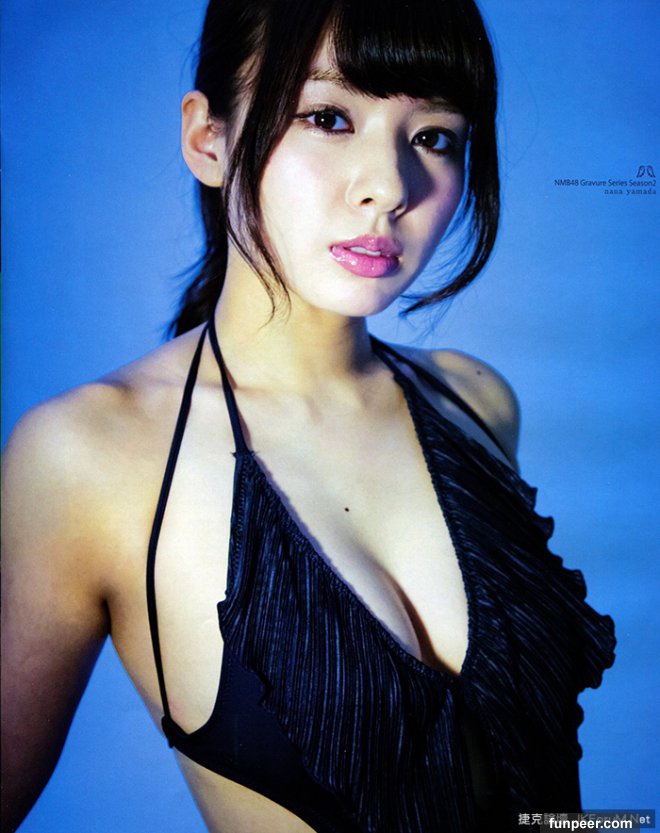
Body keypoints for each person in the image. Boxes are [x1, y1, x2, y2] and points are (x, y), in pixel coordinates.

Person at [1, 1, 616, 831]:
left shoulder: (475, 400)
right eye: (329, 118)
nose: (389, 188)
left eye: (434, 136)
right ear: (208, 140)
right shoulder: (90, 458)